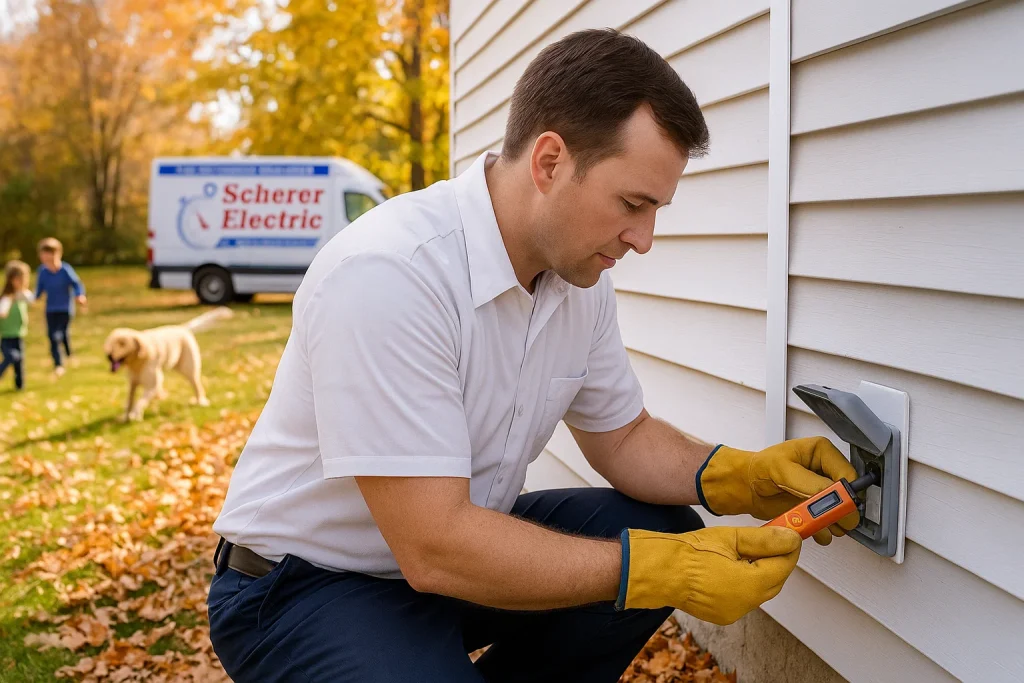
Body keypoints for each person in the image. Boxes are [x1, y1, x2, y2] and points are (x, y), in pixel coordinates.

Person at [209, 29, 859, 683]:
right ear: (549, 162)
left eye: (655, 209)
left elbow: (624, 436)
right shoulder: (390, 273)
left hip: (444, 557)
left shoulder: (578, 282)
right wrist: (667, 566)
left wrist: (741, 477)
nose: (644, 238)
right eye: (632, 204)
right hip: (301, 587)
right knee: (653, 551)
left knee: (657, 520)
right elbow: (434, 545)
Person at [34, 237, 86, 377]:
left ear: (56, 254)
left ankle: (65, 358)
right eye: (42, 254)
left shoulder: (65, 270)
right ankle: (59, 363)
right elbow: (39, 288)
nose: (43, 257)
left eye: (47, 253)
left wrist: (79, 296)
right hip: (50, 309)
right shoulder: (43, 271)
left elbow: (76, 284)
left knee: (60, 334)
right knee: (53, 336)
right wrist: (34, 297)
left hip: (65, 309)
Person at [0, 260, 35, 391]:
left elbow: (33, 299)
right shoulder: (7, 297)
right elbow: (2, 312)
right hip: (7, 336)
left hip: (19, 334)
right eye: (18, 279)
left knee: (20, 362)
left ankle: (20, 386)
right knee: (13, 356)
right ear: (11, 280)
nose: (21, 282)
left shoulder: (22, 295)